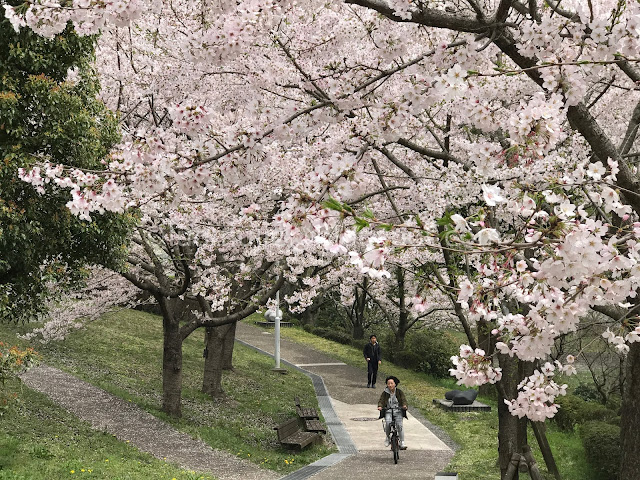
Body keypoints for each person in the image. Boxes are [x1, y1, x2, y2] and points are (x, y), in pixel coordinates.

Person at [377, 375, 408, 449]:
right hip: (388, 410)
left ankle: (402, 441)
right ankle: (387, 437)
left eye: (391, 383)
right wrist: (380, 406)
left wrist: (404, 406)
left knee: (400, 425)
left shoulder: (399, 392)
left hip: (398, 410)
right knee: (387, 423)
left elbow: (404, 400)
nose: (390, 385)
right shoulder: (385, 392)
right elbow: (381, 400)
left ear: (395, 384)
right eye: (388, 383)